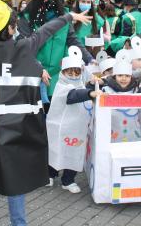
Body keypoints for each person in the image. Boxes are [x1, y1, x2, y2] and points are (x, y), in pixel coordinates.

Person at [0, 0, 92, 226]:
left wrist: (37, 68)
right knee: (14, 176)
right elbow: (45, 31)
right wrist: (70, 17)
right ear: (11, 29)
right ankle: (18, 223)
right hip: (13, 127)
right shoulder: (22, 48)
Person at [18, 0, 92, 105]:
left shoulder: (64, 15)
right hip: (35, 72)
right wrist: (38, 68)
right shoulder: (26, 17)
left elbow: (72, 39)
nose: (50, 0)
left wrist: (90, 58)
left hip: (58, 74)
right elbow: (25, 48)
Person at [45, 47, 87, 193]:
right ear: (62, 72)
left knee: (73, 152)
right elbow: (72, 96)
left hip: (76, 128)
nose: (74, 75)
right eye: (70, 72)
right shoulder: (61, 86)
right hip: (58, 127)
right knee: (55, 150)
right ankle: (50, 174)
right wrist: (90, 93)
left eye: (77, 71)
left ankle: (68, 180)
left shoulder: (82, 85)